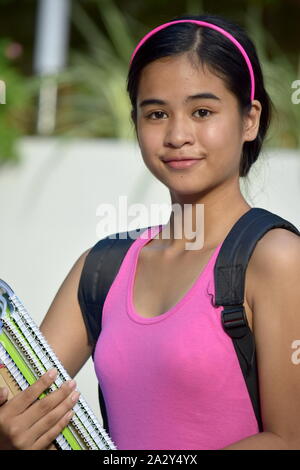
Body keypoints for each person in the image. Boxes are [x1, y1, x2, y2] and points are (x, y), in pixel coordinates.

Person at [1, 12, 300, 450]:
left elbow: (290, 439)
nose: (178, 134)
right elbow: (25, 400)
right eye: (156, 113)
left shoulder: (277, 258)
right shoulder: (101, 268)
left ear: (249, 119)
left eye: (202, 111)